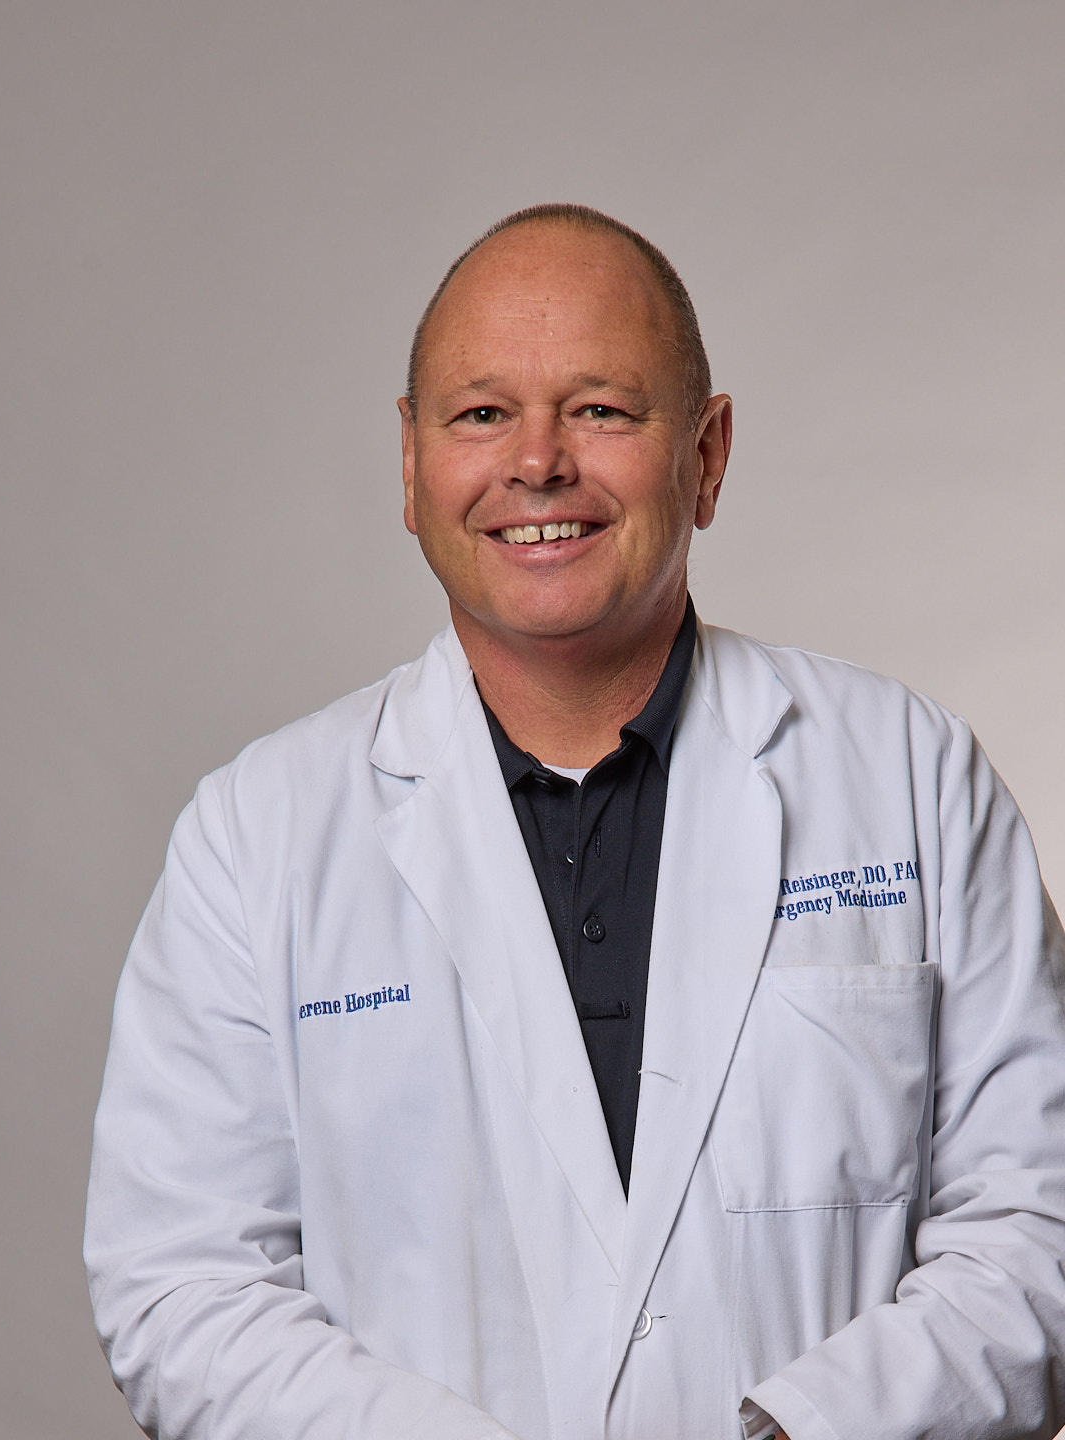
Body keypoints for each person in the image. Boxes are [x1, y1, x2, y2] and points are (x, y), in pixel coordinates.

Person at [85, 204, 1065, 1440]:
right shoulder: (255, 838)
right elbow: (182, 1285)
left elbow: (1039, 1233)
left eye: (601, 409)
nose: (538, 463)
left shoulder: (912, 778)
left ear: (707, 456)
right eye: (481, 414)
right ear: (411, 466)